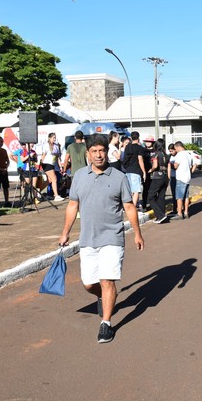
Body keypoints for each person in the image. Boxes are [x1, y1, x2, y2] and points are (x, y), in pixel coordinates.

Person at [59, 133, 144, 344]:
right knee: (89, 283)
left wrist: (137, 233)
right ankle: (102, 297)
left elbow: (129, 206)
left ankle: (106, 323)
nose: (99, 155)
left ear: (107, 152)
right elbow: (72, 206)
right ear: (88, 153)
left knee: (107, 280)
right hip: (88, 238)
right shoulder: (79, 176)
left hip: (112, 237)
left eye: (102, 151)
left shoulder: (119, 177)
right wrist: (65, 232)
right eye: (94, 151)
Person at [171, 141, 197, 220]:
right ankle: (186, 212)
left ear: (178, 147)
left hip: (181, 178)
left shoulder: (180, 155)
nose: (176, 150)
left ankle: (179, 213)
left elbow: (176, 166)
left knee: (179, 197)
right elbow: (192, 166)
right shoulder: (188, 154)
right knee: (186, 196)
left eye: (175, 149)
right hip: (187, 177)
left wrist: (170, 164)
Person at [121, 131, 146, 208]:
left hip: (128, 171)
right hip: (136, 171)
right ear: (138, 138)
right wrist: (144, 172)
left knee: (131, 190)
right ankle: (133, 207)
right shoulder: (140, 148)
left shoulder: (128, 147)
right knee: (136, 191)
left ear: (131, 138)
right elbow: (140, 160)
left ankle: (130, 205)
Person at [37, 133, 65, 202]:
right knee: (54, 178)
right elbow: (43, 155)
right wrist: (40, 164)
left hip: (52, 164)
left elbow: (58, 158)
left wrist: (60, 167)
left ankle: (38, 191)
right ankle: (56, 195)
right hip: (46, 164)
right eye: (53, 138)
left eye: (55, 138)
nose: (54, 139)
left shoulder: (56, 146)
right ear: (49, 138)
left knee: (50, 180)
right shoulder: (46, 145)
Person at [147, 139, 169, 223]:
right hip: (165, 176)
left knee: (151, 197)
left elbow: (155, 165)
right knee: (161, 196)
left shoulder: (156, 154)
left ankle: (160, 215)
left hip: (157, 177)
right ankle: (161, 216)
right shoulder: (165, 155)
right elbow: (168, 167)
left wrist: (151, 170)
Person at [141, 135, 155, 210]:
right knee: (145, 189)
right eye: (146, 142)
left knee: (153, 189)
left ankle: (153, 205)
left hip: (153, 171)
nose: (148, 143)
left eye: (149, 142)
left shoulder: (155, 151)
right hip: (145, 172)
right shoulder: (143, 150)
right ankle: (144, 205)